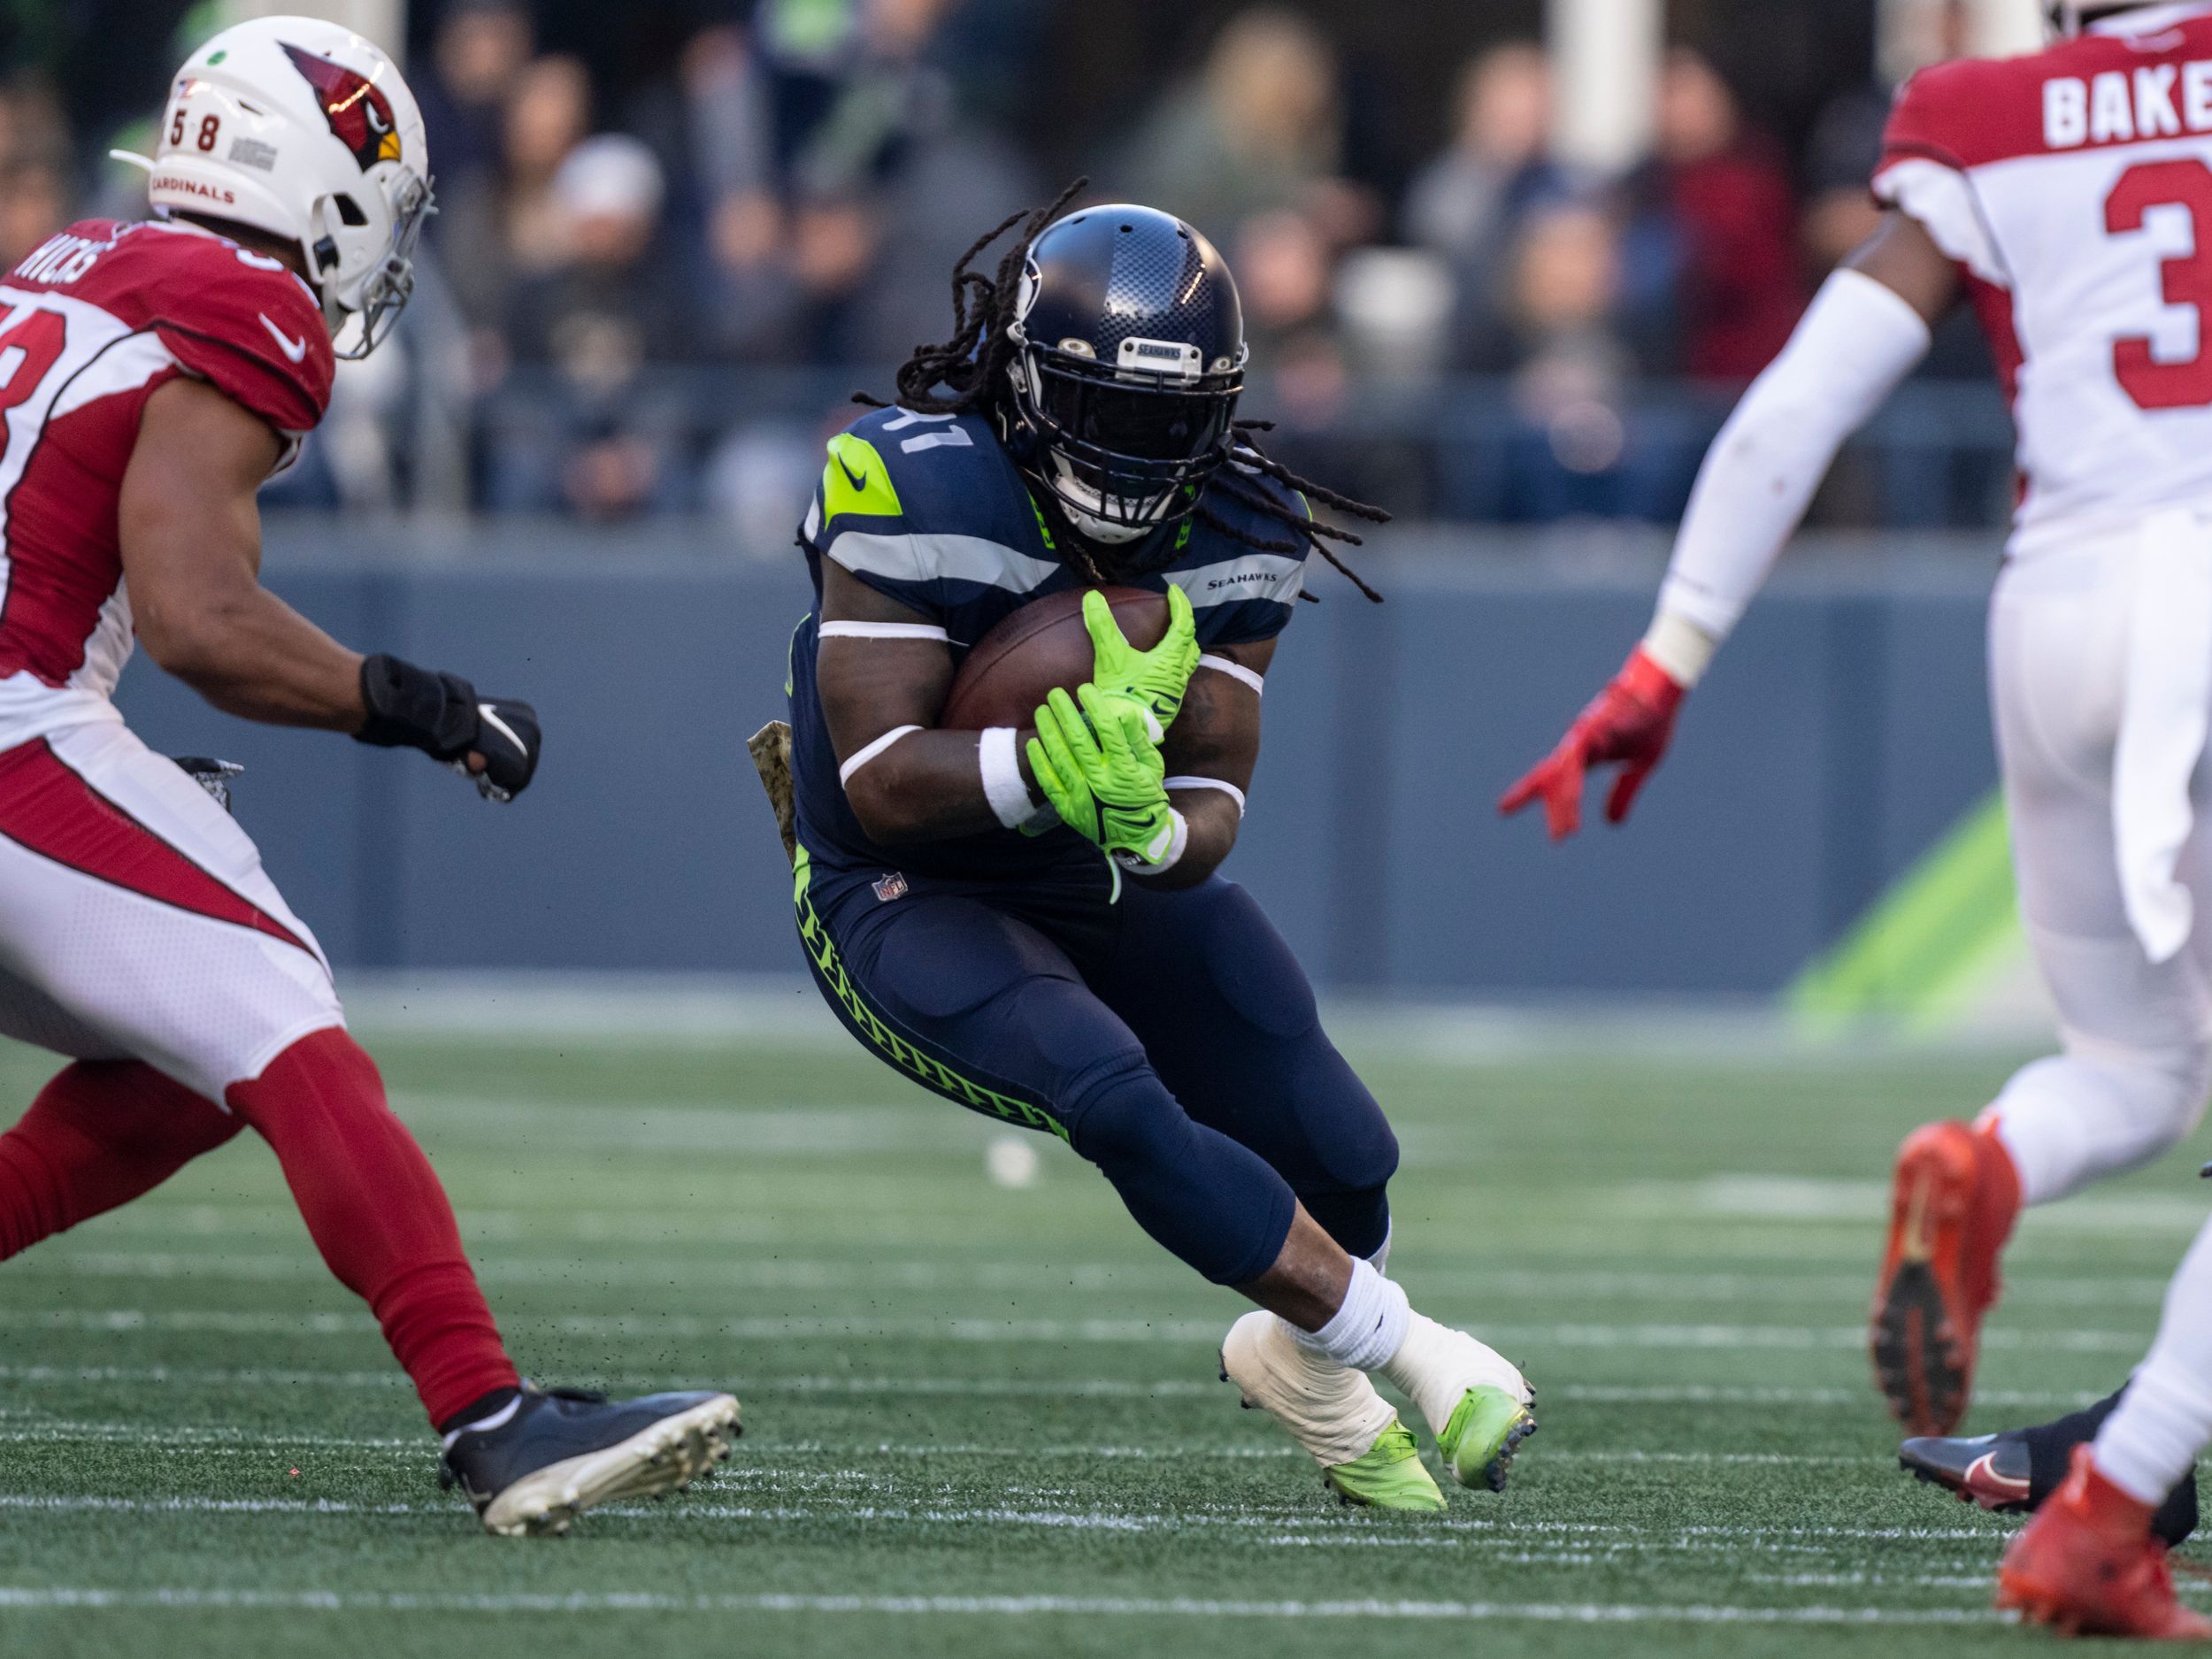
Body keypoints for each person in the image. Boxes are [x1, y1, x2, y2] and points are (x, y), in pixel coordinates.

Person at [1502, 0, 2212, 1632]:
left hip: (2054, 605)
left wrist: (1664, 662)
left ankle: (1989, 1165)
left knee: (2137, 1068)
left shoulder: (1991, 110)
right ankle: (2106, 1512)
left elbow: (1794, 407)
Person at [0, 14, 737, 1536]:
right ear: (319, 184)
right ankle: (492, 1415)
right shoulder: (236, 302)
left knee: (194, 1058)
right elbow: (203, 618)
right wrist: (422, 704)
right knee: (280, 1004)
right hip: (17, 726)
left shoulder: (73, 262)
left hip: (31, 710)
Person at [778, 190, 1535, 1511]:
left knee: (1345, 1151)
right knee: (1110, 1087)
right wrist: (1037, 774)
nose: (1138, 454)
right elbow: (881, 784)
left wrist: (1151, 823)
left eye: (1173, 422)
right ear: (1024, 381)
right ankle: (1410, 1351)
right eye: (1110, 412)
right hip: (901, 888)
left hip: (1093, 874)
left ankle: (1298, 1360)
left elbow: (1215, 801)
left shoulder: (1241, 527)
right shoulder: (912, 475)